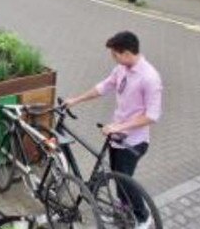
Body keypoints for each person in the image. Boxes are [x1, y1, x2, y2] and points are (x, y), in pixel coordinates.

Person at [64, 31, 162, 229]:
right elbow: (103, 87)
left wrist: (120, 126)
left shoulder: (150, 78)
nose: (113, 59)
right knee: (117, 178)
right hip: (115, 137)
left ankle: (143, 218)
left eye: (115, 55)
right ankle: (124, 212)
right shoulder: (122, 69)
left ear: (126, 53)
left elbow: (153, 115)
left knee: (124, 181)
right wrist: (75, 100)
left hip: (133, 141)